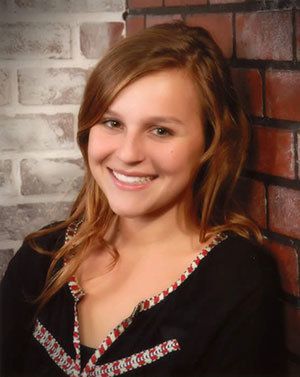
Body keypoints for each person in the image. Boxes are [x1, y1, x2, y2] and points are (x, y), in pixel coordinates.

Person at [0, 22, 286, 377]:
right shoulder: (41, 258)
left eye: (160, 130)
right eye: (112, 123)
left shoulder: (237, 280)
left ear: (210, 144)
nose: (128, 153)